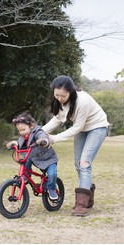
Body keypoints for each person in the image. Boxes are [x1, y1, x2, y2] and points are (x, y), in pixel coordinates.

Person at [42, 76, 109, 216]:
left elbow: (77, 127)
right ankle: (88, 196)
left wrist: (54, 138)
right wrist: (40, 133)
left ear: (71, 92)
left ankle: (81, 206)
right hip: (83, 129)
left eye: (63, 96)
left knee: (84, 163)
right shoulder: (61, 102)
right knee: (78, 164)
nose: (60, 98)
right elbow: (57, 119)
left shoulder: (82, 101)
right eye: (57, 95)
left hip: (97, 127)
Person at [6, 112, 59, 200]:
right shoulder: (23, 137)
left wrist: (43, 141)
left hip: (48, 159)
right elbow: (19, 144)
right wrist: (14, 144)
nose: (22, 133)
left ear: (31, 126)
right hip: (35, 158)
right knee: (25, 160)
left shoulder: (37, 131)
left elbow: (42, 136)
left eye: (23, 130)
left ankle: (51, 188)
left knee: (52, 174)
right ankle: (26, 175)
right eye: (19, 131)